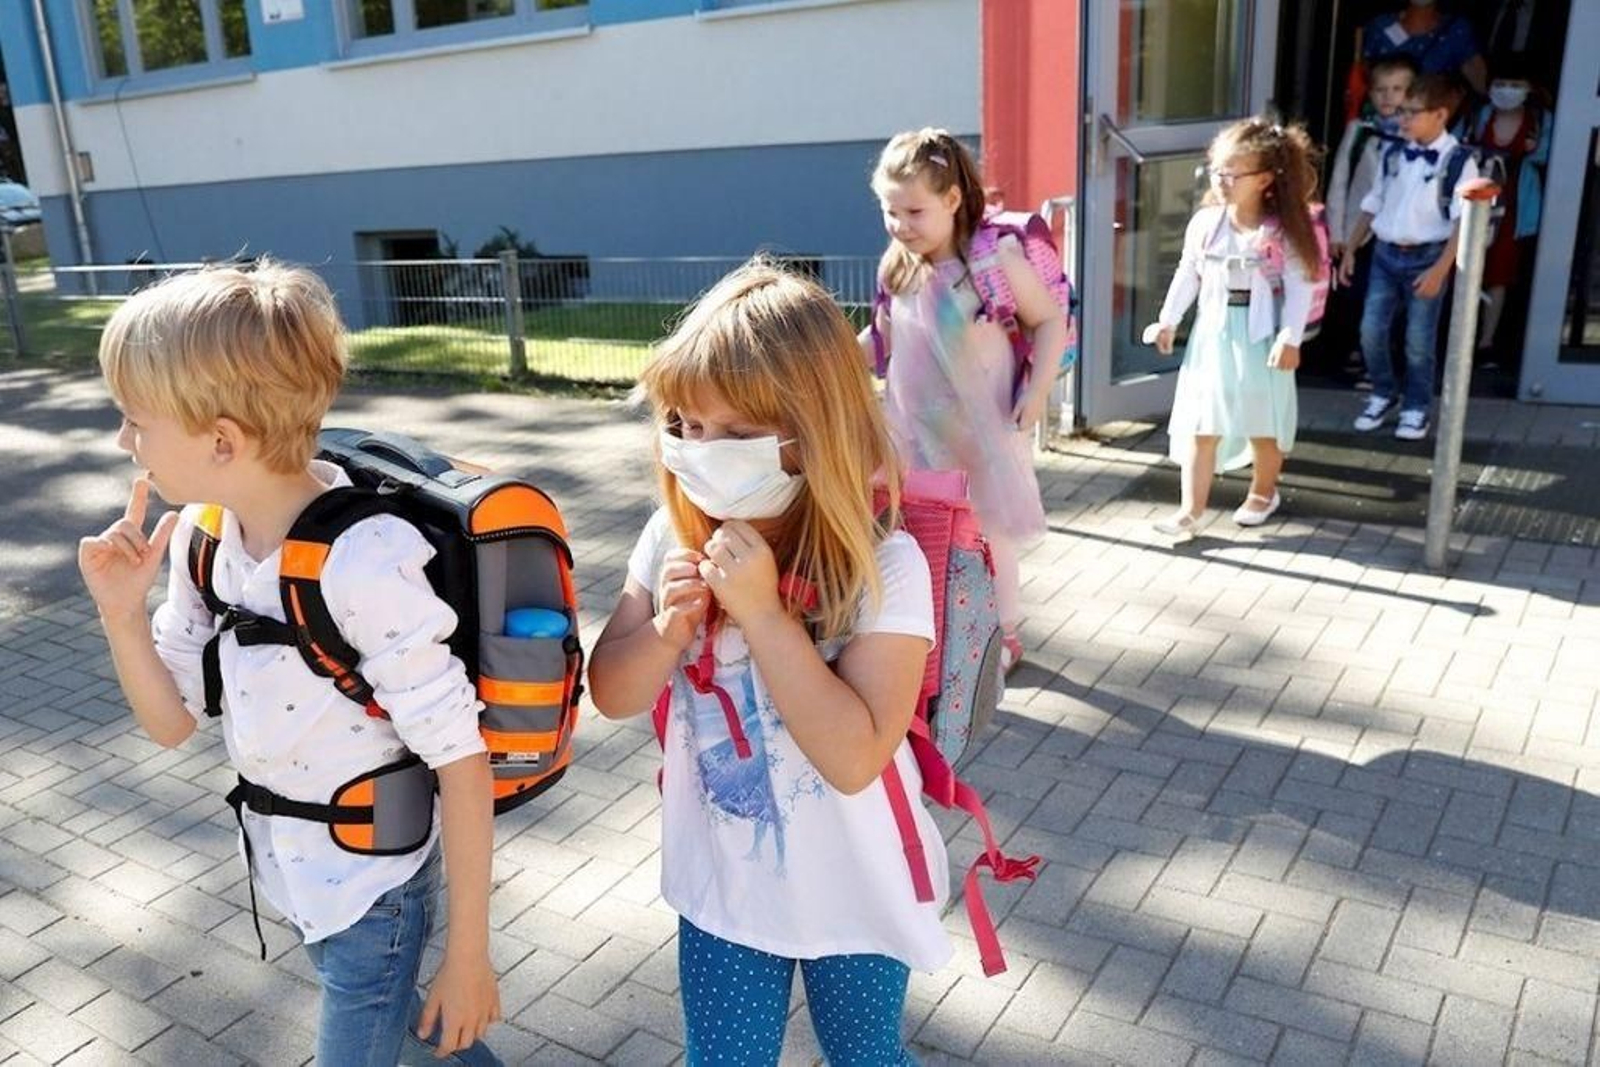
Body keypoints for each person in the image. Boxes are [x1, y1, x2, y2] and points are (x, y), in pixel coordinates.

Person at [77, 263, 502, 1066]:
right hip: (295, 877)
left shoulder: (366, 563)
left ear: (223, 440)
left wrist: (469, 957)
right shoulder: (205, 538)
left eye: (135, 421)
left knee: (382, 1028)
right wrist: (119, 615)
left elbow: (462, 759)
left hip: (374, 891)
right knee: (422, 1035)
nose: (124, 441)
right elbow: (170, 725)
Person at [587, 260, 946, 1066]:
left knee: (867, 1057)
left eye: (735, 433)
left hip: (855, 888)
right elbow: (610, 691)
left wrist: (761, 614)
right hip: (724, 891)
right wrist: (668, 634)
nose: (699, 451)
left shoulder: (885, 567)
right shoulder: (668, 537)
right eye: (683, 425)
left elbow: (855, 756)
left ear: (811, 431)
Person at [865, 127, 1067, 671]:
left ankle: (1003, 634)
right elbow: (882, 340)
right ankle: (935, 631)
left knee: (987, 536)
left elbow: (1049, 319)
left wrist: (1039, 389)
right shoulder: (899, 265)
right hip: (913, 433)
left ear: (952, 199)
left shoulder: (994, 263)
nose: (900, 225)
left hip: (980, 434)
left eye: (913, 212)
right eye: (890, 211)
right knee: (921, 534)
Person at [1142, 118, 1324, 540]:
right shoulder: (1206, 224)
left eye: (1232, 173)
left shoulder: (1281, 230)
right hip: (1213, 332)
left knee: (1263, 422)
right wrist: (1168, 319)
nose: (1221, 180)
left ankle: (1264, 492)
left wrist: (1289, 337)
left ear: (1263, 179)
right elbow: (1188, 272)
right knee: (1202, 423)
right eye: (1217, 171)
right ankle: (1190, 511)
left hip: (1261, 335)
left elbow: (1301, 284)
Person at [1340, 74, 1478, 440]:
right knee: (1371, 330)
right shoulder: (1393, 152)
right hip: (1386, 253)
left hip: (1428, 255)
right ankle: (1384, 392)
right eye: (1403, 112)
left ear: (1440, 115)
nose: (1404, 119)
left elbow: (1462, 224)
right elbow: (1374, 201)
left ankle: (1416, 405)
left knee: (1419, 339)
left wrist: (1440, 269)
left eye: (1413, 113)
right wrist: (1352, 247)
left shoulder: (1459, 160)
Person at [1327, 54, 1418, 381]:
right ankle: (1359, 350)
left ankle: (1384, 356)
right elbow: (1340, 179)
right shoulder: (1360, 130)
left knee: (1394, 298)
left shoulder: (1418, 134)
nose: (1388, 97)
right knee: (1359, 293)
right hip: (1359, 232)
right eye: (1381, 89)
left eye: (1397, 89)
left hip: (1400, 232)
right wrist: (1336, 231)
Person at [1467, 61, 1551, 359]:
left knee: (1499, 274)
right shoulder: (1480, 115)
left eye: (1516, 85)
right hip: (1476, 201)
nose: (1507, 91)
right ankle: (1460, 335)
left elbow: (1552, 154)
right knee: (1466, 267)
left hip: (1515, 204)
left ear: (1529, 89)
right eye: (1501, 83)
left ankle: (1486, 342)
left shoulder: (1540, 120)